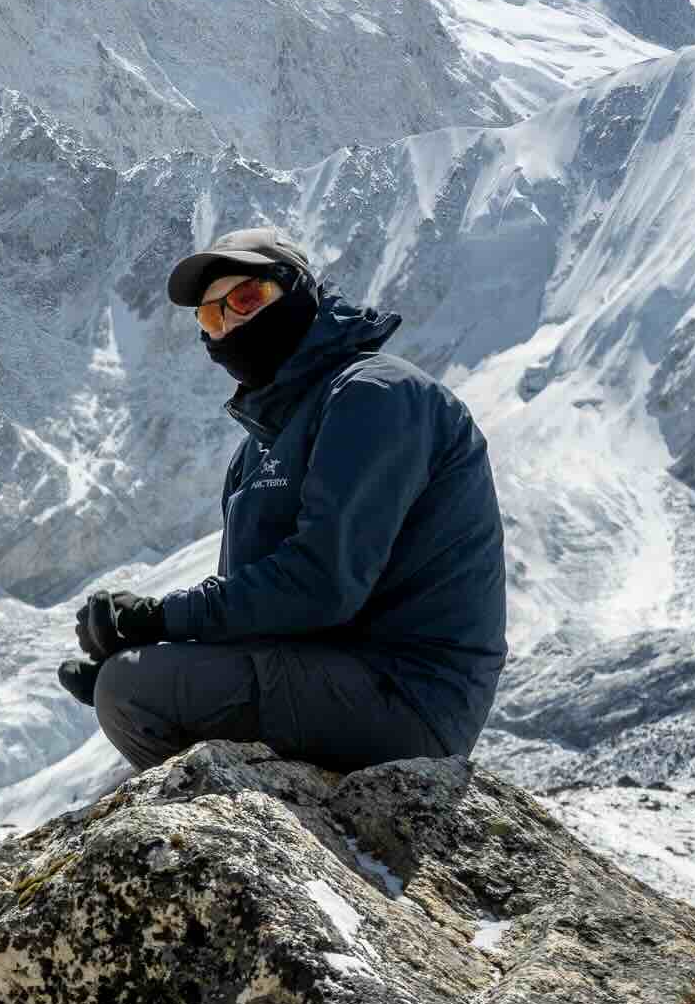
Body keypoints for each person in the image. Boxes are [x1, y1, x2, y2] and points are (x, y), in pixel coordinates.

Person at [60, 227, 506, 776]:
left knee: (135, 688)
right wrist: (154, 648)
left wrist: (158, 622)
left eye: (247, 300)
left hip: (410, 694)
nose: (232, 324)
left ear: (296, 290)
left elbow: (322, 585)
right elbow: (262, 612)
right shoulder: (260, 448)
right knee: (130, 682)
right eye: (212, 317)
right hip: (339, 674)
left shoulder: (376, 395)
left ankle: (261, 834)